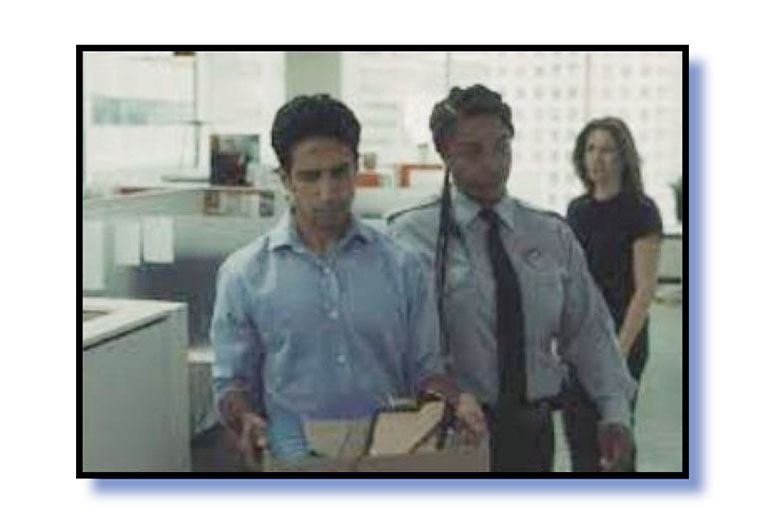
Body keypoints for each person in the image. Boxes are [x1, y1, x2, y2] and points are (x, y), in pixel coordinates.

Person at [211, 94, 486, 470]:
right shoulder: (243, 274)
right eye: (310, 177)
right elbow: (232, 383)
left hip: (387, 457)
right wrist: (244, 418)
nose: (328, 193)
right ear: (285, 179)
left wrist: (455, 400)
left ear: (357, 167)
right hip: (294, 459)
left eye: (339, 172)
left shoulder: (402, 267)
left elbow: (426, 373)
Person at [386, 85, 636, 472]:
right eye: (472, 151)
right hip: (449, 431)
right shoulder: (409, 235)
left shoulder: (550, 234)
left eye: (502, 146)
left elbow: (590, 333)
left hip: (532, 433)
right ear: (444, 155)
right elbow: (392, 344)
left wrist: (615, 413)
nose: (492, 163)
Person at [563, 117, 663, 472]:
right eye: (590, 149)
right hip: (580, 340)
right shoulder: (577, 210)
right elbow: (571, 280)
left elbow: (645, 289)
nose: (597, 158)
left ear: (623, 158)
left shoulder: (642, 210)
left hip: (624, 336)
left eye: (607, 150)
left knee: (614, 440)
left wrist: (617, 351)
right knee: (578, 432)